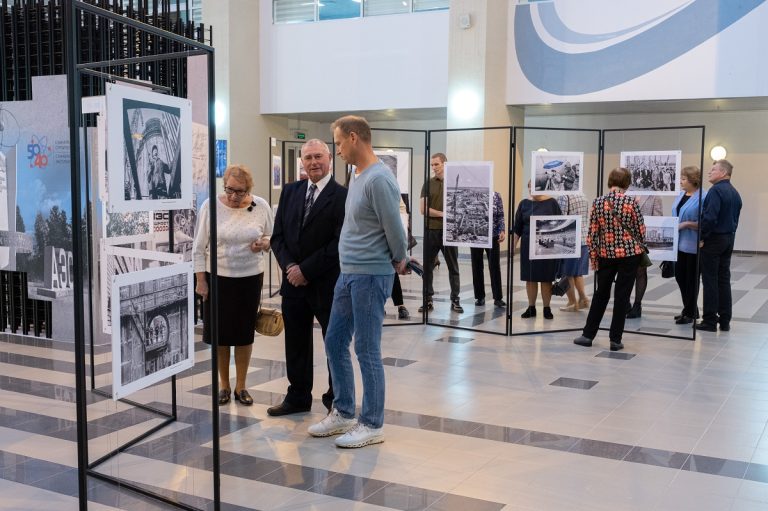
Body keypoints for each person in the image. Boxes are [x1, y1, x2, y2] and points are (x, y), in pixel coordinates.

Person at [307, 115, 408, 448]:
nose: (336, 151)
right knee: (334, 341)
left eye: (337, 143)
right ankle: (345, 411)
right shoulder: (357, 174)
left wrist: (399, 257)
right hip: (348, 272)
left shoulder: (379, 179)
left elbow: (395, 228)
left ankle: (372, 423)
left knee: (366, 349)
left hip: (369, 274)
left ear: (353, 138)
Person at [268, 139, 347, 416]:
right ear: (302, 161)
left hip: (326, 284)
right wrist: (291, 267)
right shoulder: (290, 191)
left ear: (330, 160)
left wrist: (306, 270)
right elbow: (278, 237)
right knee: (296, 342)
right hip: (293, 285)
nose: (313, 162)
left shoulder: (342, 196)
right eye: (308, 158)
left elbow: (339, 243)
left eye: (318, 157)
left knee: (333, 344)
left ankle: (335, 398)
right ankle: (298, 396)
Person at [192, 164, 273, 406]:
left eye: (240, 192)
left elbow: (272, 236)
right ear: (224, 184)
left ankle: (241, 386)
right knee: (220, 335)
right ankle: (224, 386)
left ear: (249, 189)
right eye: (230, 190)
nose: (234, 196)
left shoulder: (261, 206)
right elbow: (198, 248)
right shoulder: (211, 206)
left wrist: (264, 243)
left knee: (244, 334)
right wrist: (201, 282)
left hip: (249, 279)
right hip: (218, 279)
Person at [573, 167, 645, 351]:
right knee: (622, 296)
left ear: (610, 181)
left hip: (606, 254)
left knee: (600, 294)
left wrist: (594, 258)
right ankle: (615, 339)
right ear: (627, 183)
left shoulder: (598, 202)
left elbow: (593, 234)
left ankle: (587, 335)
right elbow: (640, 229)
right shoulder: (631, 202)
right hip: (629, 255)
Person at [697, 159, 742, 332]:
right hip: (728, 238)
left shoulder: (716, 190)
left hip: (714, 240)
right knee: (724, 279)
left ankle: (709, 320)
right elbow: (736, 218)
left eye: (713, 169)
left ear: (723, 173)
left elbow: (709, 218)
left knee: (710, 280)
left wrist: (702, 237)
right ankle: (725, 320)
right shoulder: (734, 192)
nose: (709, 172)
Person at [419, 153, 463, 313]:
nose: (433, 167)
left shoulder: (455, 183)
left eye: (436, 164)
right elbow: (423, 209)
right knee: (428, 267)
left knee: (453, 267)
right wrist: (443, 214)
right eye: (432, 165)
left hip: (450, 232)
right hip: (431, 230)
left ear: (445, 164)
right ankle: (427, 299)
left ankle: (455, 300)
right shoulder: (428, 184)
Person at [512, 181, 562, 320]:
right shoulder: (524, 204)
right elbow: (517, 228)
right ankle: (531, 307)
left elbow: (561, 224)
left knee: (546, 279)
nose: (531, 192)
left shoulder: (552, 203)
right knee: (530, 278)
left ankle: (547, 308)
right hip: (528, 246)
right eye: (529, 189)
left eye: (533, 188)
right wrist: (513, 246)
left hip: (547, 245)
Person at [671, 165, 705, 325]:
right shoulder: (680, 194)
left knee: (691, 279)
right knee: (680, 277)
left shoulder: (703, 197)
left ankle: (690, 312)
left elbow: (705, 222)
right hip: (678, 244)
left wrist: (686, 224)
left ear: (693, 180)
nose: (680, 181)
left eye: (683, 179)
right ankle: (690, 309)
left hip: (692, 244)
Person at [625, 194, 662, 318]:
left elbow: (658, 218)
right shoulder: (626, 193)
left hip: (642, 239)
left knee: (640, 272)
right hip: (624, 239)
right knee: (626, 272)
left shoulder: (654, 196)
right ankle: (625, 303)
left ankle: (637, 305)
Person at [470, 191, 506, 308]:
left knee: (494, 265)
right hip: (476, 235)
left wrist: (502, 230)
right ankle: (480, 297)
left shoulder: (496, 195)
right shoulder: (472, 194)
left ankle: (498, 298)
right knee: (477, 266)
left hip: (493, 235)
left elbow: (500, 215)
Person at [557, 193, 590, 311]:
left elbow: (560, 219)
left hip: (570, 239)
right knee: (577, 272)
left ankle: (572, 302)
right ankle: (583, 299)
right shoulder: (583, 196)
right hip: (584, 238)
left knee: (567, 273)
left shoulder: (563, 197)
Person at [391, 196, 411, 319]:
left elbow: (402, 208)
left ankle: (400, 305)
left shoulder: (389, 185)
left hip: (390, 236)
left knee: (392, 273)